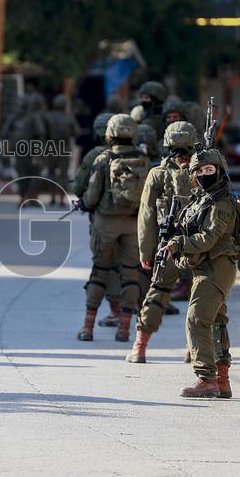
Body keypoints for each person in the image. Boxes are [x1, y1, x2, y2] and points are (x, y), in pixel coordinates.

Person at [164, 149, 238, 398]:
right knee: (216, 322)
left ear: (220, 171)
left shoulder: (222, 202)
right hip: (205, 267)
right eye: (200, 170)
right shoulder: (203, 198)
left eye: (210, 170)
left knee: (197, 319)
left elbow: (208, 238)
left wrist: (179, 243)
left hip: (217, 268)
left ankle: (206, 378)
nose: (205, 174)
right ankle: (222, 380)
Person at [127, 121, 198, 364]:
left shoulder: (158, 174)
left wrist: (146, 252)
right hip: (201, 244)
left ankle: (140, 346)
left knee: (157, 292)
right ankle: (194, 349)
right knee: (200, 297)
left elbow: (146, 216)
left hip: (168, 245)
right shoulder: (208, 169)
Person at [77, 114, 151, 342]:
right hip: (133, 223)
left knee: (100, 272)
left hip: (106, 223)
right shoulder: (143, 159)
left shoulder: (103, 158)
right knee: (130, 276)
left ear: (110, 133)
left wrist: (84, 204)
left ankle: (88, 328)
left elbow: (91, 196)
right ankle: (124, 330)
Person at [73, 111, 123, 328]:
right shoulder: (136, 154)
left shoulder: (95, 155)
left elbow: (79, 188)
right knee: (127, 267)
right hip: (132, 222)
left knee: (104, 267)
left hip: (103, 221)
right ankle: (130, 312)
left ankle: (114, 312)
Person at [4, 93, 48, 205]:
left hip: (24, 150)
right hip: (26, 150)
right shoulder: (32, 117)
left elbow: (4, 133)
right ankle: (27, 198)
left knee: (23, 174)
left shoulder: (15, 118)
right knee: (30, 174)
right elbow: (41, 132)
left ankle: (25, 198)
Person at [44, 94, 77, 205]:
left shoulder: (48, 116)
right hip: (65, 147)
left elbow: (43, 132)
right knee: (63, 174)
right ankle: (62, 199)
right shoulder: (69, 117)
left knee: (51, 172)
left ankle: (52, 197)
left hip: (51, 146)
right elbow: (76, 132)